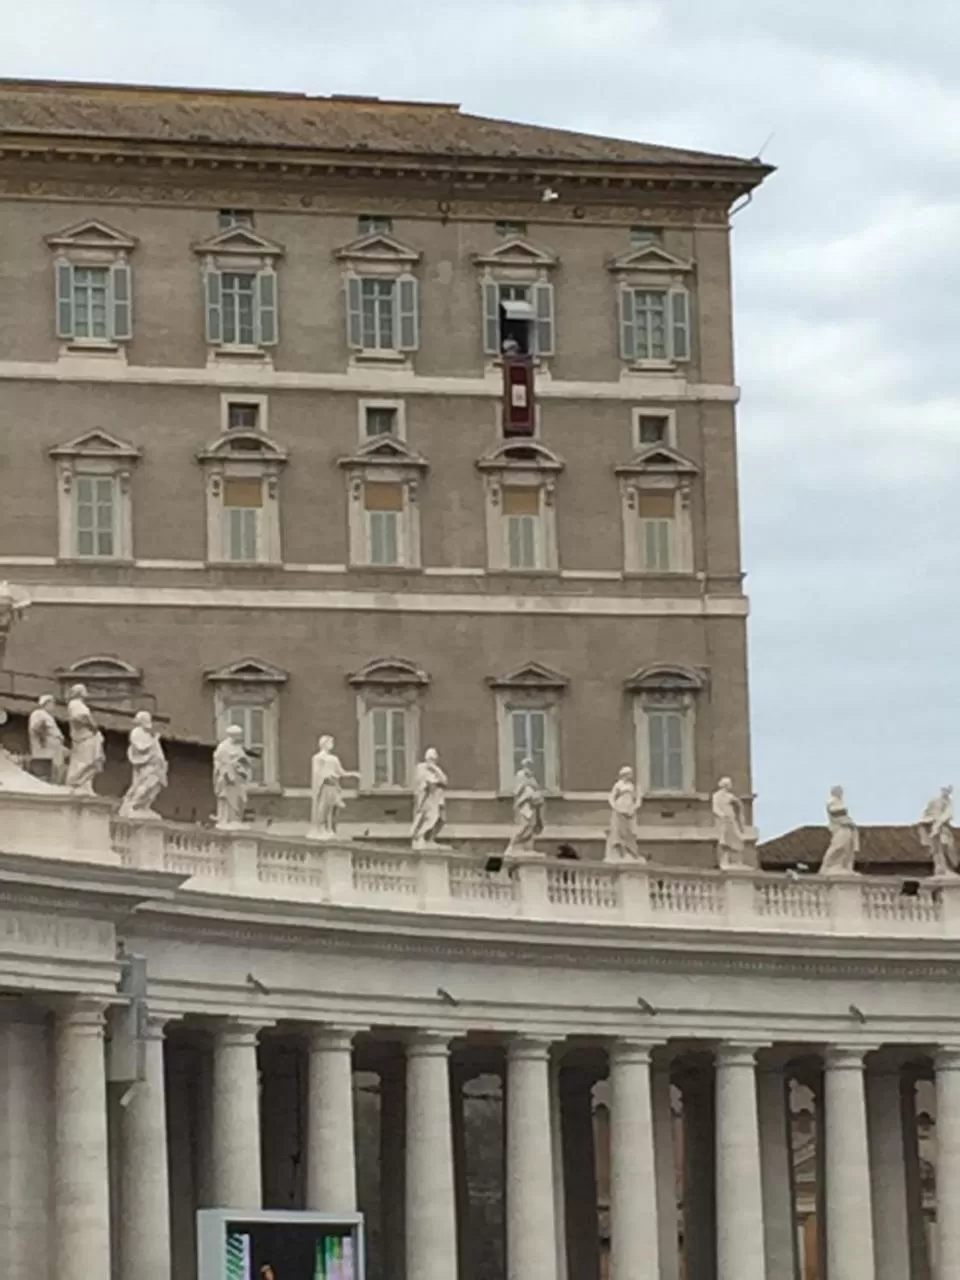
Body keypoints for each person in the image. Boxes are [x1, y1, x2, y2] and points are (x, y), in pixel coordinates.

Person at [119, 710, 168, 819]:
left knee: (155, 786)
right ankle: (133, 805)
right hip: (147, 765)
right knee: (146, 785)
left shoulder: (147, 733)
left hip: (157, 766)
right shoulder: (137, 732)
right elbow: (141, 748)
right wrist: (154, 740)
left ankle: (144, 806)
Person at [309, 735, 359, 839]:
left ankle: (330, 829)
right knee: (323, 808)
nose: (332, 744)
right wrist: (326, 776)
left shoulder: (334, 759)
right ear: (324, 744)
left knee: (333, 809)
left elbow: (341, 772)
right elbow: (316, 773)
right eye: (330, 742)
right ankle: (321, 829)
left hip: (333, 786)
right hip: (324, 786)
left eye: (332, 742)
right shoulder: (318, 758)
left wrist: (353, 774)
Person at [64, 683, 105, 795]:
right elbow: (79, 718)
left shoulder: (79, 704)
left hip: (88, 736)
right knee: (84, 761)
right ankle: (77, 784)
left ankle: (86, 785)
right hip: (83, 737)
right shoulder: (75, 704)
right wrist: (92, 725)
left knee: (91, 761)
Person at [213, 724, 252, 828]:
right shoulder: (223, 747)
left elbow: (245, 761)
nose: (240, 738)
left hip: (237, 779)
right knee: (227, 798)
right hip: (227, 778)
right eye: (239, 735)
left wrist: (244, 765)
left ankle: (235, 819)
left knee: (239, 798)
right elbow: (219, 762)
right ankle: (226, 819)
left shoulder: (238, 747)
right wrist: (227, 770)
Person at [410, 747, 448, 848]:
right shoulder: (421, 768)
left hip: (438, 798)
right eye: (431, 759)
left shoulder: (436, 769)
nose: (433, 761)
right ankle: (420, 837)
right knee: (430, 818)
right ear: (427, 758)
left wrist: (435, 769)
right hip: (428, 799)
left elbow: (444, 780)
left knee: (442, 819)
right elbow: (426, 784)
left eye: (434, 759)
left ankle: (431, 839)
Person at [818, 785, 860, 875]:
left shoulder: (840, 801)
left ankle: (842, 865)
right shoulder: (832, 801)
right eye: (840, 792)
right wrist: (848, 822)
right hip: (840, 828)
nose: (841, 794)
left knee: (847, 847)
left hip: (846, 828)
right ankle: (829, 866)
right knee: (838, 846)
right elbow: (837, 814)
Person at [918, 786, 958, 877]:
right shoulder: (934, 801)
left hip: (942, 828)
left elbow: (949, 815)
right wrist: (932, 822)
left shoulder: (948, 802)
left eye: (949, 791)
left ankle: (947, 868)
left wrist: (939, 823)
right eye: (945, 791)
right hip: (934, 828)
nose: (947, 793)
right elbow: (925, 814)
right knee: (937, 849)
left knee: (946, 846)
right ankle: (940, 868)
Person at [507, 757, 545, 852]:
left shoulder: (532, 777)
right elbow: (517, 790)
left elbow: (536, 789)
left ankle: (527, 847)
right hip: (524, 804)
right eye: (528, 765)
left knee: (531, 826)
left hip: (532, 804)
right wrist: (527, 785)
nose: (530, 768)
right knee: (524, 825)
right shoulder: (521, 775)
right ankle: (513, 844)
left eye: (531, 765)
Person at [605, 765, 642, 861]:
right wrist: (615, 807)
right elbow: (611, 797)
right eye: (629, 774)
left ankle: (630, 852)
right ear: (624, 774)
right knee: (619, 831)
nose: (631, 775)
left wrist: (635, 807)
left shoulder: (631, 786)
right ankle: (621, 852)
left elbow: (637, 798)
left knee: (628, 832)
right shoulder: (618, 785)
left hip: (629, 810)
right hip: (620, 809)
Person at [27, 694, 66, 783]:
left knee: (52, 775)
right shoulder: (39, 713)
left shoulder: (47, 716)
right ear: (46, 703)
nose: (53, 706)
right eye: (52, 703)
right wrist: (43, 740)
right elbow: (37, 728)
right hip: (44, 751)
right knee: (43, 775)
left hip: (52, 751)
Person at [712, 776, 746, 869]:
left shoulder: (730, 796)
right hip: (723, 821)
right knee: (724, 840)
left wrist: (739, 810)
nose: (730, 786)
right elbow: (715, 808)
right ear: (725, 785)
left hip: (731, 819)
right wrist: (722, 815)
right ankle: (725, 860)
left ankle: (737, 861)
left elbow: (739, 805)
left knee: (738, 838)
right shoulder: (716, 795)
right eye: (729, 784)